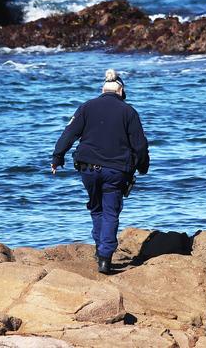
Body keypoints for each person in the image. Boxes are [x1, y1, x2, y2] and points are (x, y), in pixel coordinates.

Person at [51, 69, 149, 273]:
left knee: (96, 208)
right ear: (121, 91)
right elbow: (139, 145)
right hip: (115, 171)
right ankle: (105, 257)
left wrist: (57, 157)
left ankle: (100, 249)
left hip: (87, 169)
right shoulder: (128, 111)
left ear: (102, 90)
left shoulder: (86, 107)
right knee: (111, 211)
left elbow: (69, 133)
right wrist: (142, 166)